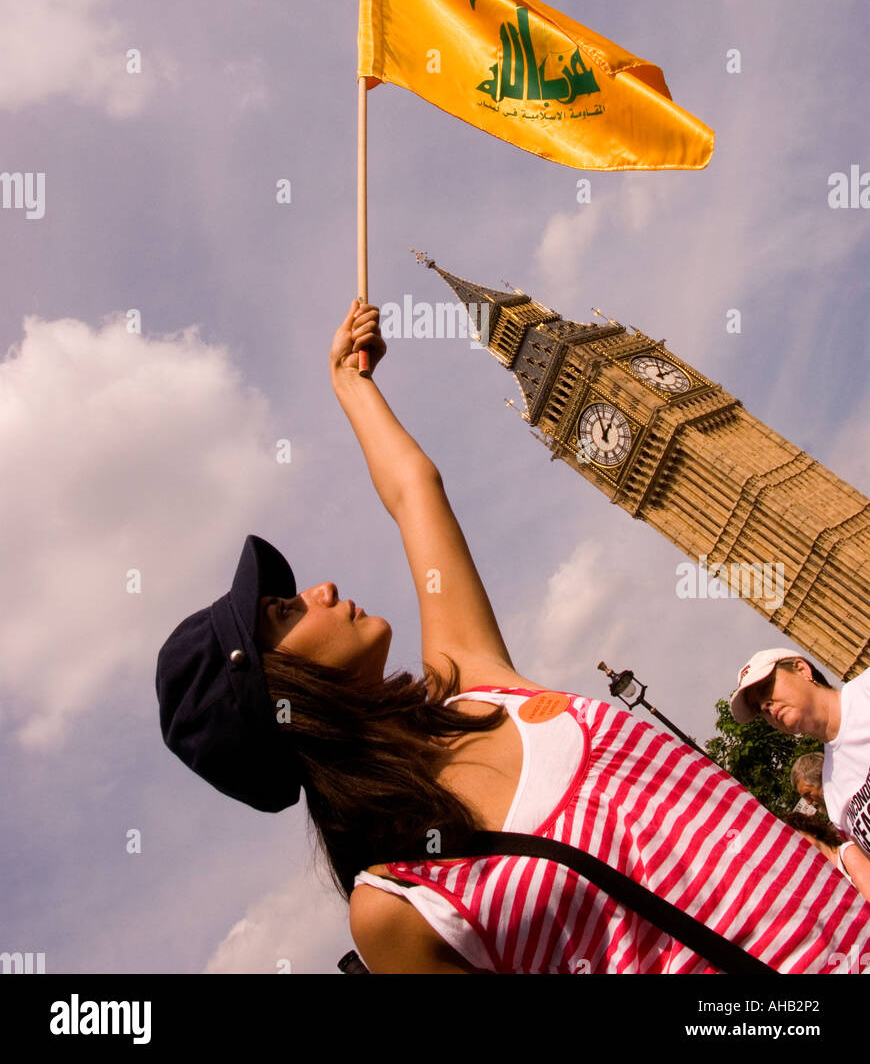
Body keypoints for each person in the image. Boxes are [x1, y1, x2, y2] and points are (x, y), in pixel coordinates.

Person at [157, 300, 870, 973]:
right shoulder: (400, 902)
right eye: (285, 612)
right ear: (281, 697)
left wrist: (350, 384)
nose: (321, 592)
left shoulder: (477, 685)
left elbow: (415, 493)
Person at [731, 650, 870, 904]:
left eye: (766, 689)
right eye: (760, 709)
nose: (765, 707)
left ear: (802, 670)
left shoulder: (865, 693)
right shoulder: (833, 789)